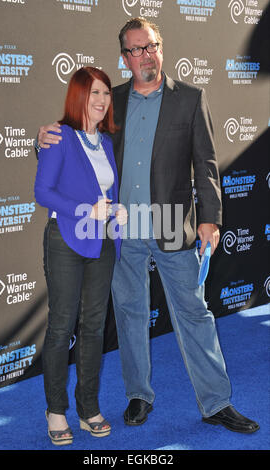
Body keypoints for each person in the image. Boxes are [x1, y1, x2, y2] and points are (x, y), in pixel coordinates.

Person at [36, 18, 259, 434]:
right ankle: (138, 395)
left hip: (173, 223)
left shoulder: (190, 98)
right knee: (130, 312)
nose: (144, 56)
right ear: (124, 58)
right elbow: (72, 140)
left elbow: (206, 164)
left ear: (161, 48)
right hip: (120, 228)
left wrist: (210, 219)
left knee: (193, 312)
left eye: (150, 46)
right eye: (134, 50)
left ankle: (216, 402)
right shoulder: (110, 100)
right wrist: (41, 137)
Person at [34, 66, 127, 445]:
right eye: (94, 94)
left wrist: (116, 211)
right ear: (78, 97)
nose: (103, 101)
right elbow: (43, 193)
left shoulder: (105, 142)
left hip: (101, 242)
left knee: (93, 327)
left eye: (106, 93)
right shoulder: (59, 136)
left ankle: (88, 406)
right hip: (66, 241)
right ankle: (55, 410)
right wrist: (86, 210)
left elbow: (106, 191)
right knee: (61, 328)